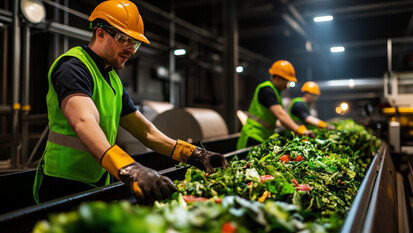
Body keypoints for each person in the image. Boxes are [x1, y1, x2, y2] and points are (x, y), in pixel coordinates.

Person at [33, 0, 227, 205]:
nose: (131, 50)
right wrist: (130, 168)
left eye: (134, 43)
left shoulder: (113, 80)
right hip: (63, 183)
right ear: (100, 33)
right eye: (124, 39)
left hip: (97, 179)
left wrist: (194, 154)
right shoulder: (73, 68)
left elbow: (147, 132)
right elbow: (84, 122)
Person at [236, 60, 315, 149]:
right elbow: (280, 114)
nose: (286, 86)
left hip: (264, 137)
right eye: (286, 82)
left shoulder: (275, 92)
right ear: (277, 77)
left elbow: (280, 119)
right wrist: (300, 130)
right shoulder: (266, 90)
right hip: (253, 136)